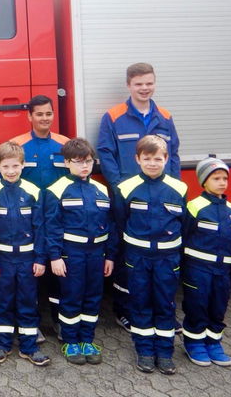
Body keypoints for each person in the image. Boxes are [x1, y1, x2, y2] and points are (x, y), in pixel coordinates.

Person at [97, 62, 181, 333]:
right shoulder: (113, 116)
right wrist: (120, 185)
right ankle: (125, 310)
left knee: (163, 256)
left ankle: (163, 312)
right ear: (129, 85)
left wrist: (174, 184)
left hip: (161, 195)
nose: (144, 88)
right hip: (129, 197)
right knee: (127, 254)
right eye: (139, 84)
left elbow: (175, 153)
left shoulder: (165, 116)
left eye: (149, 83)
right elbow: (105, 152)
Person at [113, 135, 187, 375]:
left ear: (166, 159)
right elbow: (121, 221)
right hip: (138, 257)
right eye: (147, 158)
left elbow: (183, 224)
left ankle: (165, 352)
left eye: (158, 158)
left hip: (167, 258)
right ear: (137, 159)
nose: (152, 163)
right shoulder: (126, 188)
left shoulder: (179, 188)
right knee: (141, 302)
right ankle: (144, 350)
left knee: (165, 303)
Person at [44, 138, 117, 365]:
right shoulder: (56, 190)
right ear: (67, 163)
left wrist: (110, 256)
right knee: (72, 297)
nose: (84, 166)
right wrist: (55, 256)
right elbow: (51, 226)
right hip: (71, 254)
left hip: (97, 254)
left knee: (93, 297)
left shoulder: (101, 189)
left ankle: (87, 339)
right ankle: (70, 340)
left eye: (88, 161)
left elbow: (111, 225)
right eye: (78, 162)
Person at [0, 141, 49, 366]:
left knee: (28, 300)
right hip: (3, 260)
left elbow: (40, 227)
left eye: (15, 166)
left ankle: (29, 346)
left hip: (28, 259)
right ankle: (2, 344)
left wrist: (40, 258)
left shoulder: (33, 191)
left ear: (23, 165)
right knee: (3, 301)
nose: (11, 171)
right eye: (6, 166)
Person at [10, 94, 69, 341]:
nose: (45, 118)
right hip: (28, 220)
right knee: (28, 274)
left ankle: (59, 320)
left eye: (48, 113)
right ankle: (29, 324)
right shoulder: (17, 145)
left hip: (58, 219)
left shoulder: (65, 144)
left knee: (60, 272)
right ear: (29, 116)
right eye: (39, 114)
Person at [182, 158, 231, 367]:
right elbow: (185, 234)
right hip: (198, 269)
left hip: (222, 271)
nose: (222, 182)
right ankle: (194, 343)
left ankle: (214, 342)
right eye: (216, 178)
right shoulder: (195, 207)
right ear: (203, 181)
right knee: (197, 304)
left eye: (225, 178)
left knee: (218, 306)